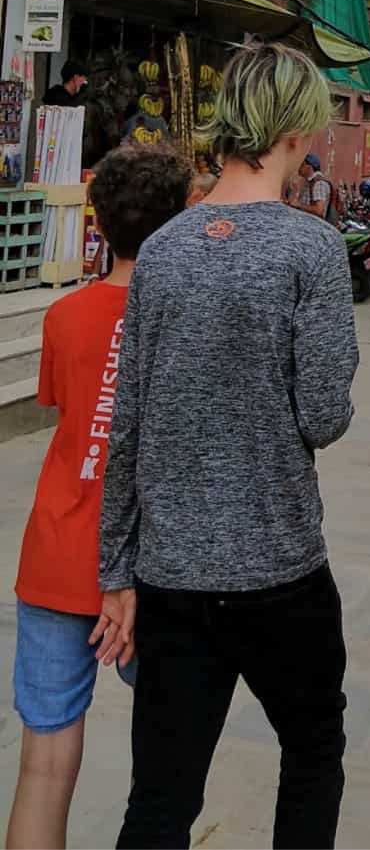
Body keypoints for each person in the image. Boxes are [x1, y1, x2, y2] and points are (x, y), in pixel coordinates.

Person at [96, 42, 358, 850]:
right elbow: (322, 416)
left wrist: (116, 570)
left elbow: (127, 420)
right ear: (293, 126)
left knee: (160, 799)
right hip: (280, 570)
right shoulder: (311, 249)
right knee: (312, 752)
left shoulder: (163, 248)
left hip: (171, 576)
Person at [5, 145, 191, 850]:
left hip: (56, 554)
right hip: (156, 568)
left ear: (100, 221)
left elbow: (68, 413)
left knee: (43, 764)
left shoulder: (64, 315)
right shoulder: (182, 321)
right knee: (168, 765)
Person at [289, 151, 333, 219]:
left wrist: (299, 204)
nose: (299, 167)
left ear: (309, 167)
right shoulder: (310, 182)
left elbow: (319, 210)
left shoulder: (319, 183)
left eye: (302, 164)